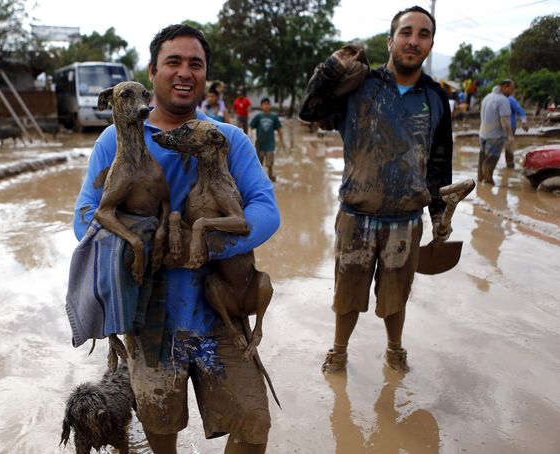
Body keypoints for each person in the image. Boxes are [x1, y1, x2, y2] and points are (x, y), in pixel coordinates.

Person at [73, 24, 279, 454]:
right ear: (152, 73)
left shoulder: (228, 139)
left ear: (205, 75)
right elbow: (86, 217)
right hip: (148, 312)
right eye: (173, 62)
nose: (184, 72)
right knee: (158, 418)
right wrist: (144, 244)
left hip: (217, 306)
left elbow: (265, 209)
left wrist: (209, 246)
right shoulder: (115, 141)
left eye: (195, 64)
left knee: (252, 421)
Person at [299, 6, 453, 373]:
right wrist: (331, 69)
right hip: (356, 215)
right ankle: (339, 350)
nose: (414, 41)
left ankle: (394, 350)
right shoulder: (360, 86)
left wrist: (440, 214)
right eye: (406, 32)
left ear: (431, 44)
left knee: (396, 296)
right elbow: (310, 111)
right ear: (390, 40)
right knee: (347, 295)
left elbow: (439, 163)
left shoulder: (435, 98)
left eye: (423, 34)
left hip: (406, 220)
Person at [478, 80, 515, 185]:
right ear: (505, 87)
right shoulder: (503, 100)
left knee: (482, 159)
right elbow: (505, 121)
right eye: (511, 89)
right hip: (495, 136)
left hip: (482, 134)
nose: (512, 92)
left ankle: (480, 180)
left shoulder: (487, 97)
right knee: (491, 159)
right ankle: (488, 183)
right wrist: (510, 135)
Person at [249, 97, 284, 182]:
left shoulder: (274, 117)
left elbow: (279, 129)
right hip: (260, 144)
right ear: (261, 106)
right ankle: (260, 179)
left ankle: (270, 175)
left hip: (270, 144)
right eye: (264, 104)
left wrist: (282, 141)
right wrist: (250, 136)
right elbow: (251, 126)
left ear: (270, 105)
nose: (266, 106)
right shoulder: (258, 117)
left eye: (267, 104)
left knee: (269, 163)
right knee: (259, 163)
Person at [505, 92, 529, 168]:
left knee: (508, 146)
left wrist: (524, 122)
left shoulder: (510, 99)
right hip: (499, 127)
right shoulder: (498, 99)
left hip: (510, 126)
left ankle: (510, 164)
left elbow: (520, 111)